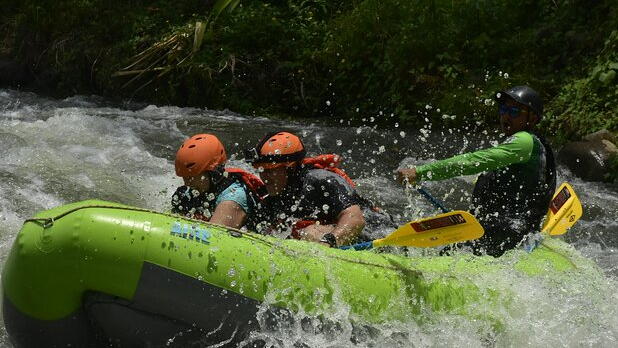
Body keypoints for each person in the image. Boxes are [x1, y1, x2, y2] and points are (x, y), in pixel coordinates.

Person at [395, 85, 556, 257]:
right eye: (503, 109)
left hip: (509, 231)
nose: (506, 116)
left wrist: (420, 172)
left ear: (531, 119)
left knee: (447, 255)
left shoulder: (524, 141)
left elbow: (474, 162)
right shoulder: (531, 143)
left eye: (515, 111)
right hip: (503, 226)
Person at [245, 131, 393, 247]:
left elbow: (356, 220)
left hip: (375, 231)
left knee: (310, 233)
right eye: (261, 170)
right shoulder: (275, 196)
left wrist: (328, 242)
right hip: (338, 232)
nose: (264, 177)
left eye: (271, 171)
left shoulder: (322, 181)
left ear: (290, 168)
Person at [171, 133, 267, 228]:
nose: (187, 183)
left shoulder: (232, 200)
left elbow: (212, 238)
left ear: (213, 173)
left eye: (193, 177)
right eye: (185, 177)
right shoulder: (192, 191)